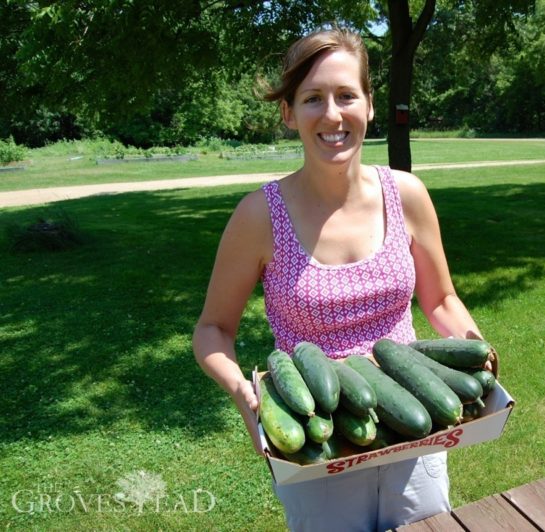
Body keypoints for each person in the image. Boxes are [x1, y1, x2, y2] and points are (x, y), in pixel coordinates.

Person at [192, 26, 486, 531]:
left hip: (412, 421)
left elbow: (441, 300)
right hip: (319, 436)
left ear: (369, 105)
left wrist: (473, 343)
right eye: (312, 99)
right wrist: (244, 391)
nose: (332, 114)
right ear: (288, 113)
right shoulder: (259, 216)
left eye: (347, 95)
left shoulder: (407, 194)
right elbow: (212, 330)